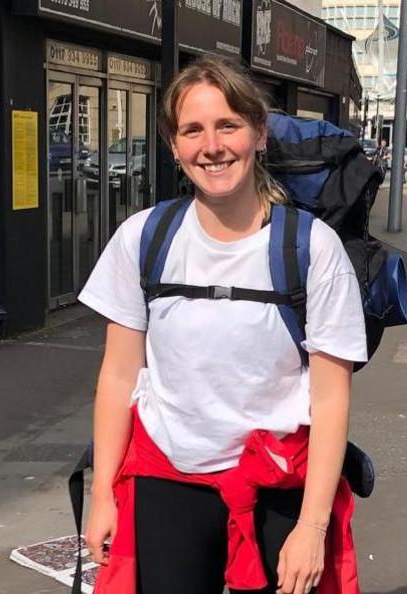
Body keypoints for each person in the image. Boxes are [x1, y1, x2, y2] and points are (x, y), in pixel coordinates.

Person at [78, 55, 368, 594]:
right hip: (169, 480)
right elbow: (118, 377)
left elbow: (330, 398)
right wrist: (103, 498)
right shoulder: (144, 238)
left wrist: (312, 526)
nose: (211, 146)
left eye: (228, 125)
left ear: (259, 134)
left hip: (278, 483)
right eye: (193, 130)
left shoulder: (311, 248)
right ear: (174, 145)